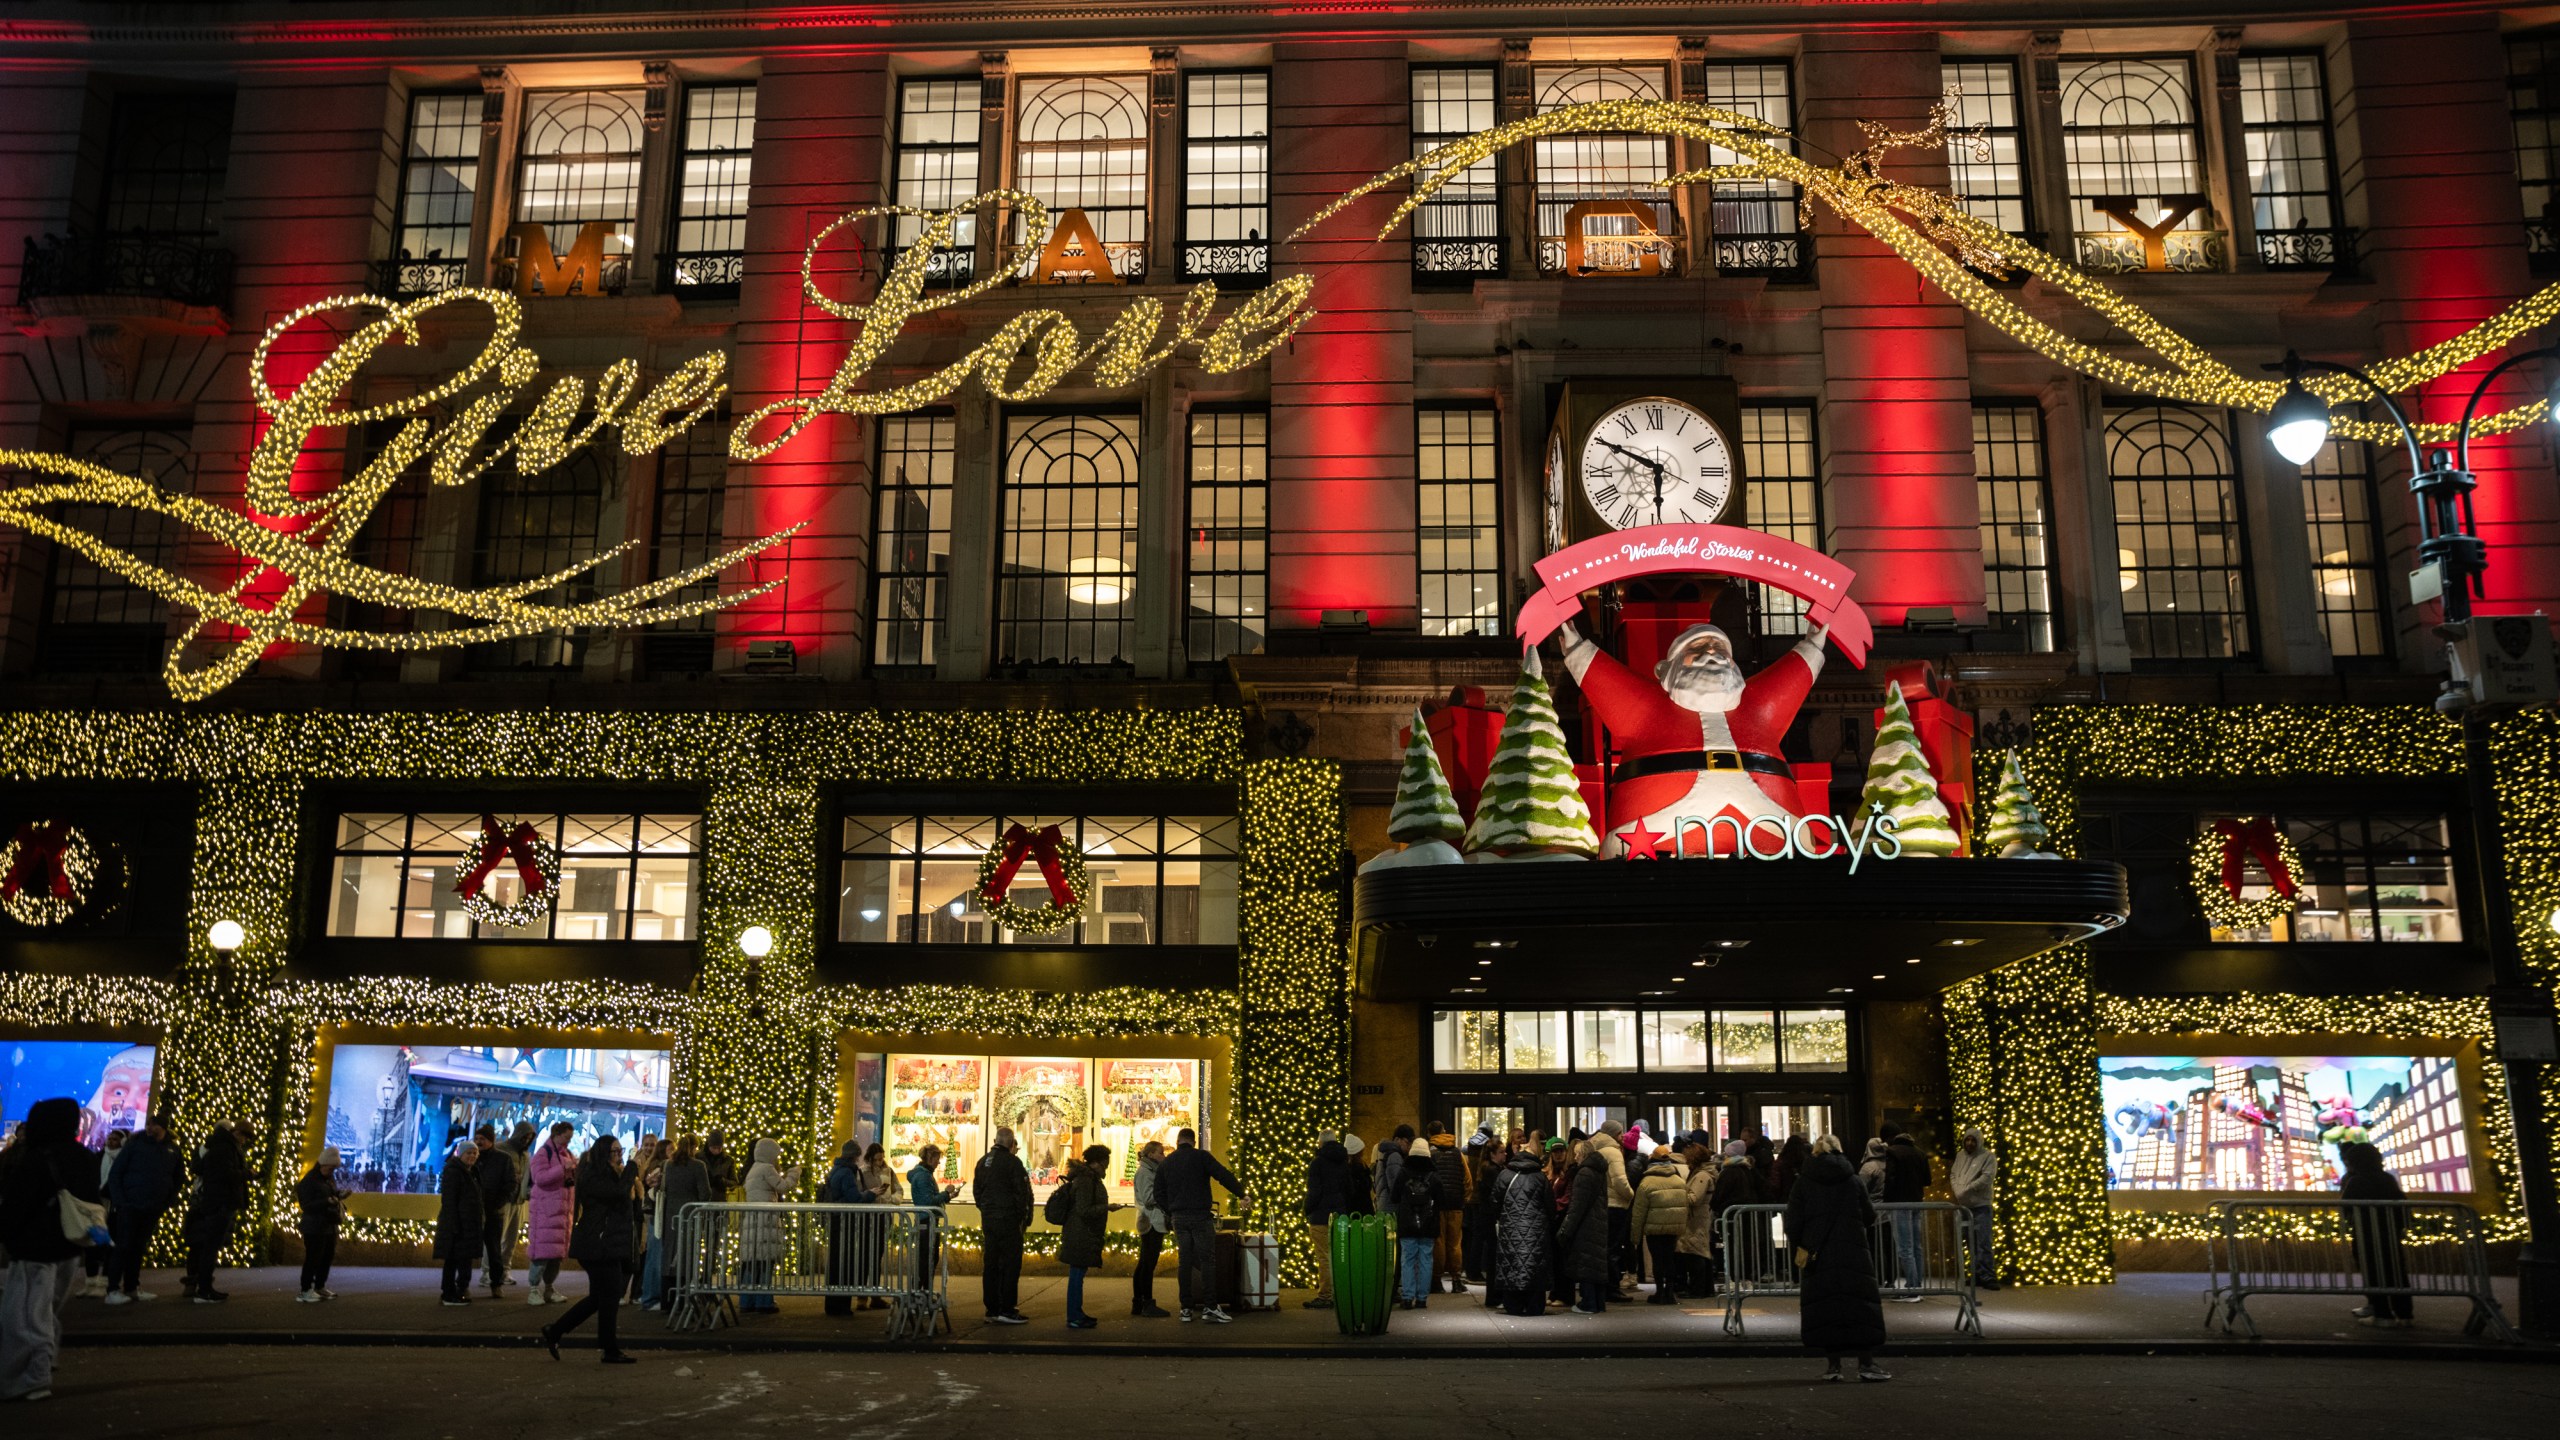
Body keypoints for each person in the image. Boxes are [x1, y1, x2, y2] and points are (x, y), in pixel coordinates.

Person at [0, 1096, 104, 1402]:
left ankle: (33, 1377)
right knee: (46, 1311)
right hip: (69, 1245)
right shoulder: (84, 1156)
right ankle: (43, 1365)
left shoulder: (36, 1158)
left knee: (27, 1316)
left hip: (35, 1247)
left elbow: (18, 1205)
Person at [1786, 1134, 1888, 1382]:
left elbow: (1793, 1221)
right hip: (1853, 1250)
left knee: (1826, 1306)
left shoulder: (1804, 1182)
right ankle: (1866, 1363)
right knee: (1859, 1304)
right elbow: (1868, 1214)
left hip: (1818, 1253)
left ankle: (1834, 1366)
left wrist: (1802, 1244)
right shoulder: (1852, 1179)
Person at [539, 1134, 637, 1364]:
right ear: (603, 1153)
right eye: (615, 1151)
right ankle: (608, 1348)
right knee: (610, 1295)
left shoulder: (608, 1174)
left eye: (620, 1151)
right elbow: (618, 1194)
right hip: (597, 1245)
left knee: (600, 1298)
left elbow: (622, 1199)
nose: (619, 1156)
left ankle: (556, 1331)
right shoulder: (593, 1175)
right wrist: (633, 1167)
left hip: (604, 1244)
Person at [1155, 1127, 1248, 1323]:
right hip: (1200, 1216)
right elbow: (1223, 1175)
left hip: (1179, 1218)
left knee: (1185, 1262)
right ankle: (1210, 1306)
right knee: (1207, 1261)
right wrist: (1242, 1193)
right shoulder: (1201, 1157)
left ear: (1178, 1141)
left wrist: (1171, 1210)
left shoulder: (1167, 1162)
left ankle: (1186, 1309)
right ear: (1193, 1142)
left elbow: (1158, 1194)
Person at [103, 1112, 178, 1305]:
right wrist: (121, 1201)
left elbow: (178, 1177)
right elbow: (116, 1173)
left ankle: (131, 1287)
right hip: (131, 1205)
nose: (149, 1128)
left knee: (137, 1248)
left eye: (154, 1125)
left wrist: (166, 1200)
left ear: (163, 1127)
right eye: (149, 1124)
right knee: (123, 1246)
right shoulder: (134, 1146)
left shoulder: (172, 1149)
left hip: (152, 1206)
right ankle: (112, 1289)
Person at [2339, 1140, 2413, 1328]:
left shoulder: (2356, 1180)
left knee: (2373, 1272)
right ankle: (2405, 1314)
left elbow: (2346, 1207)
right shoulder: (2387, 1178)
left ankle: (2382, 1314)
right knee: (2396, 1272)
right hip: (2390, 1234)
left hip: (2366, 1235)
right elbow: (2401, 1204)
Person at [972, 1126, 1033, 1325]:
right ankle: (1007, 1308)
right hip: (1007, 1220)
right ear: (1010, 1142)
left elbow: (977, 1192)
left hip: (989, 1219)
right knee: (1010, 1264)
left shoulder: (983, 1162)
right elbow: (1021, 1193)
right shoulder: (1012, 1163)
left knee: (991, 1264)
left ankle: (992, 1308)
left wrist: (987, 1210)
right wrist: (1020, 1217)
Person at [183, 1121, 248, 1304]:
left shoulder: (210, 1146)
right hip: (213, 1201)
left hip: (207, 1200)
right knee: (206, 1245)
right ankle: (202, 1288)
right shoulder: (221, 1148)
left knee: (203, 1244)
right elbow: (213, 1171)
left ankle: (199, 1286)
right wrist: (246, 1174)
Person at [737, 1138, 801, 1314]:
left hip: (753, 1222)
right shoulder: (767, 1168)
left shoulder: (753, 1169)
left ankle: (746, 1300)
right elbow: (783, 1187)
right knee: (765, 1262)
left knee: (752, 1263)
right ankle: (764, 1301)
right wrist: (794, 1173)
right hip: (765, 1222)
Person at [1489, 1142, 1552, 1316]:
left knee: (1511, 1264)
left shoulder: (1505, 1175)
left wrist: (1501, 1218)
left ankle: (1513, 1305)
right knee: (1535, 1265)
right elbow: (1550, 1205)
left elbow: (1494, 1202)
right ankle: (1535, 1306)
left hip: (1510, 1228)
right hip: (1537, 1230)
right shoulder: (1540, 1177)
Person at [1058, 1143, 1112, 1330]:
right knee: (1076, 1275)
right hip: (1080, 1233)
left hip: (1081, 1232)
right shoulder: (1086, 1180)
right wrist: (1106, 1208)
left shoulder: (1087, 1178)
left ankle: (1076, 1313)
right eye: (1106, 1163)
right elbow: (1083, 1210)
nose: (1107, 1166)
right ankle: (1074, 1316)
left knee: (1077, 1274)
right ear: (1098, 1163)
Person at [655, 1134, 712, 1310]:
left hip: (670, 1215)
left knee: (669, 1256)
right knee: (687, 1257)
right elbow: (705, 1193)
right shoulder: (698, 1166)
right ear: (695, 1147)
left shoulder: (668, 1165)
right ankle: (683, 1300)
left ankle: (667, 1301)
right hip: (690, 1216)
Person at [817, 1140, 872, 1317]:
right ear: (855, 1156)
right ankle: (842, 1305)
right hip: (844, 1221)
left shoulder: (835, 1170)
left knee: (835, 1263)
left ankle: (832, 1304)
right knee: (845, 1263)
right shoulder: (847, 1173)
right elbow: (854, 1198)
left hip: (835, 1220)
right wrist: (871, 1194)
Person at [1555, 1140, 1610, 1314]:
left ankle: (1588, 1303)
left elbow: (1577, 1206)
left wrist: (1565, 1230)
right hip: (1598, 1221)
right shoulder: (1599, 1171)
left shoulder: (1584, 1173)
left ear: (1584, 1154)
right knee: (1596, 1263)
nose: (1576, 1157)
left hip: (1587, 1224)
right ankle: (1598, 1303)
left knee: (1586, 1263)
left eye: (1578, 1154)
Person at [1631, 1145, 1690, 1305]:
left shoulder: (1647, 1182)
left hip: (1654, 1228)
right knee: (1669, 1259)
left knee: (1657, 1260)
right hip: (1673, 1228)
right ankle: (1670, 1293)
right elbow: (1685, 1206)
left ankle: (1660, 1292)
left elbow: (1639, 1211)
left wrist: (1635, 1236)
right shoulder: (1678, 1181)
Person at [1300, 1131, 1352, 1309]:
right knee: (1339, 1255)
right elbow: (1348, 1189)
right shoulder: (1344, 1162)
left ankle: (1325, 1295)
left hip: (1320, 1216)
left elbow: (1314, 1190)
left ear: (1320, 1143)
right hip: (1340, 1215)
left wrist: (1307, 1209)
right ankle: (1340, 1292)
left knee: (1324, 1257)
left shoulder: (1317, 1163)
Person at [526, 1121, 576, 1305]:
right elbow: (539, 1177)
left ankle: (548, 1289)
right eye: (566, 1137)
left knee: (555, 1255)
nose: (569, 1141)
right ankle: (533, 1289)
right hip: (546, 1212)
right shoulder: (543, 1153)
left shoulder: (567, 1154)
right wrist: (563, 1168)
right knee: (542, 1254)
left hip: (562, 1214)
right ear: (557, 1134)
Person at [433, 1138, 485, 1306]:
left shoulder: (471, 1171)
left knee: (463, 1260)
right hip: (458, 1225)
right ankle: (449, 1294)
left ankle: (457, 1291)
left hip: (468, 1224)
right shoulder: (454, 1172)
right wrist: (454, 1224)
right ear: (461, 1154)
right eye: (469, 1153)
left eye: (475, 1153)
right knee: (453, 1260)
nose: (472, 1156)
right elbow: (449, 1200)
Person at [1882, 1124, 1930, 1298]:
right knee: (1917, 1245)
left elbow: (1890, 1179)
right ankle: (1917, 1283)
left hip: (1899, 1203)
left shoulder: (1892, 1152)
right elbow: (1927, 1180)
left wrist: (1886, 1202)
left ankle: (1911, 1286)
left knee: (1904, 1246)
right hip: (1917, 1202)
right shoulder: (1920, 1153)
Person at [1391, 1135, 1440, 1309]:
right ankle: (1421, 1298)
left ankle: (1407, 1297)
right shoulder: (1433, 1175)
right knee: (1426, 1259)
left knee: (1408, 1259)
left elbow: (1394, 1196)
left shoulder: (1403, 1172)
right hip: (1428, 1223)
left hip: (1407, 1222)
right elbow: (1442, 1198)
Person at [295, 1146, 349, 1302]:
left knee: (327, 1257)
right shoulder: (309, 1181)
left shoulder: (328, 1179)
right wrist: (326, 1202)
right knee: (313, 1258)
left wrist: (339, 1195)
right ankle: (305, 1290)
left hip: (329, 1226)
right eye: (330, 1168)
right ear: (322, 1165)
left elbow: (331, 1194)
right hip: (314, 1226)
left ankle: (319, 1286)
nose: (332, 1171)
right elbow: (306, 1205)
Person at [1949, 1128, 1999, 1292]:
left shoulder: (1988, 1157)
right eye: (1967, 1140)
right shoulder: (1960, 1156)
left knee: (1983, 1241)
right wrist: (1958, 1190)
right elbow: (1954, 1175)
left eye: (1973, 1140)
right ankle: (1977, 1273)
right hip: (1964, 1206)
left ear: (1979, 1141)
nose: (1969, 1143)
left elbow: (1987, 1178)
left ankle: (1988, 1275)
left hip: (1981, 1206)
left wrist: (1966, 1189)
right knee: (1971, 1242)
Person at [79, 1128, 127, 1298]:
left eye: (115, 1139)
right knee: (92, 1243)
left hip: (114, 1207)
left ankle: (106, 1280)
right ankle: (91, 1280)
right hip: (96, 1205)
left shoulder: (124, 1159)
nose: (111, 1142)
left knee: (111, 1243)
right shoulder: (98, 1157)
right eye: (110, 1138)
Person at [1708, 1152, 1766, 1293]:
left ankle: (1735, 1279)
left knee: (1733, 1247)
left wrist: (1715, 1207)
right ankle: (1746, 1279)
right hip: (1748, 1213)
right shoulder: (1749, 1171)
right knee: (1747, 1247)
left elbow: (1719, 1195)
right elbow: (1763, 1189)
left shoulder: (1728, 1173)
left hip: (1731, 1214)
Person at [489, 1121, 535, 1294]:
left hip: (518, 1200)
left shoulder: (525, 1155)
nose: (527, 1139)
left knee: (511, 1240)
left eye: (530, 1137)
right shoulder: (501, 1148)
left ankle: (504, 1271)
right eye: (525, 1136)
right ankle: (488, 1273)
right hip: (503, 1200)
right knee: (496, 1239)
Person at [470, 1124, 514, 1298]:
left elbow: (510, 1183)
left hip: (493, 1211)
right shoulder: (472, 1157)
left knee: (494, 1249)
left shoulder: (503, 1159)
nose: (479, 1142)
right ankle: (463, 1284)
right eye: (477, 1138)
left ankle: (496, 1284)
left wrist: (498, 1203)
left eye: (483, 1139)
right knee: (467, 1249)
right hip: (473, 1211)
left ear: (491, 1141)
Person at [907, 1144, 959, 1290]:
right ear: (930, 1158)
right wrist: (946, 1193)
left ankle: (921, 1291)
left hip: (926, 1220)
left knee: (927, 1257)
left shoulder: (923, 1174)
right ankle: (921, 1292)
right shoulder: (924, 1176)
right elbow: (928, 1201)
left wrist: (947, 1196)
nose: (939, 1163)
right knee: (928, 1258)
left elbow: (930, 1198)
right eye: (937, 1159)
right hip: (927, 1220)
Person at [1130, 1139, 1170, 1318]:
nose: (1163, 1155)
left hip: (1150, 1220)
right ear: (1151, 1154)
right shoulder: (1146, 1173)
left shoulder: (1149, 1171)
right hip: (1151, 1222)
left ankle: (1139, 1302)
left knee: (1144, 1263)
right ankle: (1147, 1302)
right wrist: (1166, 1194)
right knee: (1148, 1263)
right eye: (1161, 1152)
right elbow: (1148, 1198)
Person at [1427, 1124, 1468, 1294]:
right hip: (1456, 1204)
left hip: (1437, 1204)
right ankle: (1456, 1280)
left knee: (1439, 1242)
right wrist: (1463, 1198)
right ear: (1444, 1131)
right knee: (1455, 1243)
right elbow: (1468, 1180)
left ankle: (1436, 1281)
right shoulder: (1458, 1153)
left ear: (1430, 1134)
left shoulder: (1431, 1153)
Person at [634, 1138, 671, 1309]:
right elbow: (652, 1189)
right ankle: (649, 1297)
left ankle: (647, 1295)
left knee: (652, 1257)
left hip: (655, 1216)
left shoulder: (654, 1165)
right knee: (654, 1257)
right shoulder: (660, 1167)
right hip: (656, 1216)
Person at [1463, 1129, 1501, 1291]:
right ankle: (1475, 1271)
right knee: (1481, 1238)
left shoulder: (1467, 1153)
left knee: (1474, 1236)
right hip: (1481, 1203)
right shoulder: (1488, 1166)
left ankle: (1471, 1269)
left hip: (1470, 1200)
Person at [1370, 1127, 1409, 1216]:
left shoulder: (1385, 1151)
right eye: (1407, 1142)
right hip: (1390, 1207)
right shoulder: (1394, 1155)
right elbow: (1395, 1186)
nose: (1408, 1147)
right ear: (1397, 1139)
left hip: (1384, 1203)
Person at [1773, 1133, 1811, 1202]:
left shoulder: (1782, 1161)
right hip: (1803, 1196)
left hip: (1786, 1196)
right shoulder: (1806, 1161)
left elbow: (1776, 1182)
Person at [701, 1131, 737, 1199]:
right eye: (714, 1148)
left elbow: (734, 1182)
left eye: (719, 1148)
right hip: (703, 1200)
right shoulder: (699, 1158)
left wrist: (723, 1181)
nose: (717, 1151)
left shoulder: (728, 1160)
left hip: (720, 1199)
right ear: (709, 1145)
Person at [1857, 1137, 1892, 1203]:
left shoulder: (1868, 1167)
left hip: (1873, 1207)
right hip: (1888, 1208)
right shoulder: (1889, 1164)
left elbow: (1860, 1189)